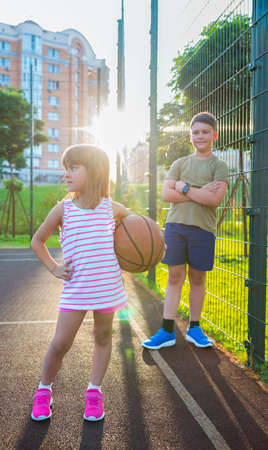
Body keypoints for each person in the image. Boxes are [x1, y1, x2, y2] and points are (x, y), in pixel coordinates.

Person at [30, 144, 131, 422]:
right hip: (76, 290)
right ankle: (43, 390)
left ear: (94, 170)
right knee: (61, 344)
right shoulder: (63, 209)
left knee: (102, 337)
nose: (67, 174)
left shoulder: (112, 208)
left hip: (108, 288)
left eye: (73, 168)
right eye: (66, 168)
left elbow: (136, 227)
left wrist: (148, 244)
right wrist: (54, 268)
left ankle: (94, 392)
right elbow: (37, 241)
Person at [142, 112, 229, 350]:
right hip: (176, 227)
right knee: (174, 276)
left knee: (198, 278)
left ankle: (194, 327)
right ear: (190, 136)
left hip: (203, 229)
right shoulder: (180, 163)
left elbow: (214, 200)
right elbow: (167, 194)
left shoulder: (219, 166)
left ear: (214, 135)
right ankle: (167, 330)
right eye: (196, 132)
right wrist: (199, 191)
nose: (200, 136)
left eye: (205, 132)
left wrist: (185, 188)